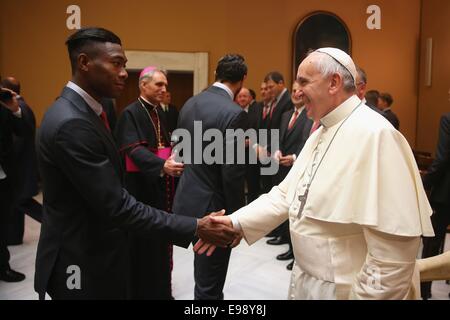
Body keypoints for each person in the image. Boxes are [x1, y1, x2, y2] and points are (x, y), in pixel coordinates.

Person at [195, 48, 434, 300]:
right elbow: (286, 195)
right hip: (308, 283)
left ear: (334, 83)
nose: (296, 91)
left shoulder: (377, 135)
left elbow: (393, 255)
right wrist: (235, 222)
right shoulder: (320, 132)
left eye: (304, 82)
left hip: (347, 290)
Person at [35, 27, 237, 300]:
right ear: (84, 63)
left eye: (124, 65)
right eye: (115, 63)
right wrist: (196, 226)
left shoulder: (91, 110)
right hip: (80, 259)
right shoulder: (73, 122)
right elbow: (116, 204)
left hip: (100, 248)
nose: (122, 73)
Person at [172, 54, 248, 300]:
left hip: (187, 198)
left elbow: (182, 151)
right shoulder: (234, 113)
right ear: (242, 79)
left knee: (203, 276)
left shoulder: (190, 103)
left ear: (216, 74)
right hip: (214, 208)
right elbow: (232, 172)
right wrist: (237, 219)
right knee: (210, 286)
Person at [115, 67, 184, 299]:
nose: (164, 89)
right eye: (159, 85)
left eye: (165, 85)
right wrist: (161, 165)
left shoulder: (159, 112)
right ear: (143, 85)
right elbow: (132, 149)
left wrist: (172, 156)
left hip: (160, 188)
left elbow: (163, 143)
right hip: (141, 190)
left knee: (161, 242)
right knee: (144, 246)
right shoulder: (130, 113)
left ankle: (161, 291)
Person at [272, 81, 313, 270]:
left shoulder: (310, 115)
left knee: (297, 211)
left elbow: (307, 142)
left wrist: (295, 158)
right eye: (294, 90)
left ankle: (297, 254)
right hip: (282, 167)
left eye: (299, 90)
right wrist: (278, 151)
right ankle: (287, 245)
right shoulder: (286, 115)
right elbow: (280, 138)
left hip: (298, 168)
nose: (296, 93)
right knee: (286, 207)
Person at [2, 76, 42, 244]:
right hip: (17, 167)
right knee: (17, 203)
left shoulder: (20, 107)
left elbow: (21, 137)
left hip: (19, 167)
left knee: (20, 201)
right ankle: (13, 238)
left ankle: (54, 224)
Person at [421, 89, 450, 299]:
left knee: (432, 242)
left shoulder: (447, 119)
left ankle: (424, 290)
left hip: (445, 193)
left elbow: (442, 159)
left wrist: (424, 182)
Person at [0, 84, 26, 283]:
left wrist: (15, 109)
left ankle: (3, 267)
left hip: (3, 177)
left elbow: (23, 132)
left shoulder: (4, 108)